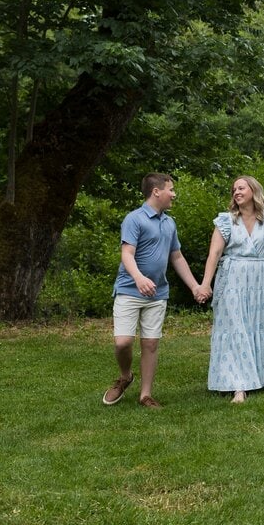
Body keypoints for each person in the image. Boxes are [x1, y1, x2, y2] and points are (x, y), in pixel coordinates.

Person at [103, 173, 206, 408]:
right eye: (171, 189)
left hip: (157, 294)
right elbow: (127, 254)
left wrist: (194, 286)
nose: (174, 194)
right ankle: (125, 376)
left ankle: (145, 395)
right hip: (129, 290)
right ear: (156, 191)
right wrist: (139, 278)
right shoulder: (134, 219)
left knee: (150, 344)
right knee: (122, 343)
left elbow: (177, 257)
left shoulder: (169, 223)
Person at [199, 176, 264, 404]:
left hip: (261, 281)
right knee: (236, 327)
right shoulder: (225, 221)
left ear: (253, 190)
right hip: (232, 279)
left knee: (258, 325)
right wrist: (206, 284)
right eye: (234, 189)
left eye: (241, 187)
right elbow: (214, 254)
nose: (236, 192)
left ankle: (260, 375)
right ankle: (239, 385)